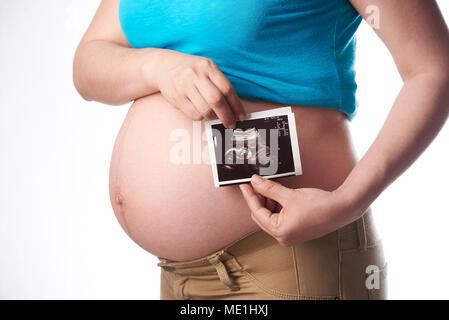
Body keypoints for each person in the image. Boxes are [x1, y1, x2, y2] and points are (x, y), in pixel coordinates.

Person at [73, 0, 449, 299]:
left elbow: (433, 69)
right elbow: (89, 60)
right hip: (178, 275)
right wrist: (155, 67)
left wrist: (351, 200)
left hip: (289, 260)